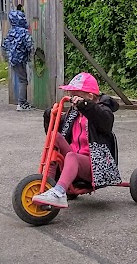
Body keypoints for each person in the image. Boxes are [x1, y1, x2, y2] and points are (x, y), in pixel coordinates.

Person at [32, 73, 121, 209]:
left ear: (90, 97)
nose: (71, 99)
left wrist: (85, 105)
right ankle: (49, 185)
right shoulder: (73, 113)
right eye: (71, 95)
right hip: (73, 161)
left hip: (94, 165)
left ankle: (59, 192)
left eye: (75, 95)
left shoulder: (102, 111)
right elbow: (56, 133)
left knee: (72, 156)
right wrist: (50, 116)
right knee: (54, 136)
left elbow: (104, 122)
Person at [3, 7, 34, 111]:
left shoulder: (11, 31)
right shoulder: (24, 32)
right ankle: (22, 103)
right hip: (20, 59)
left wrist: (10, 54)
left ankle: (22, 102)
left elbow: (5, 44)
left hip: (12, 59)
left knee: (21, 79)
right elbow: (29, 45)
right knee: (23, 80)